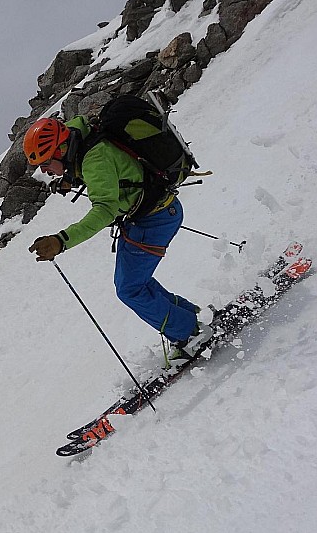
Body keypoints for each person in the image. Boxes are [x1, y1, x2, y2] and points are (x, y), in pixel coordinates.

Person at [24, 115, 206, 360]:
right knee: (132, 283)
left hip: (154, 220)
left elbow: (105, 210)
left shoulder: (94, 159)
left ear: (62, 149)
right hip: (151, 215)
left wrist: (61, 240)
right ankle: (189, 319)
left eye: (46, 163)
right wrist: (70, 177)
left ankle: (190, 333)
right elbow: (107, 167)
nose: (45, 171)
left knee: (130, 289)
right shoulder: (83, 138)